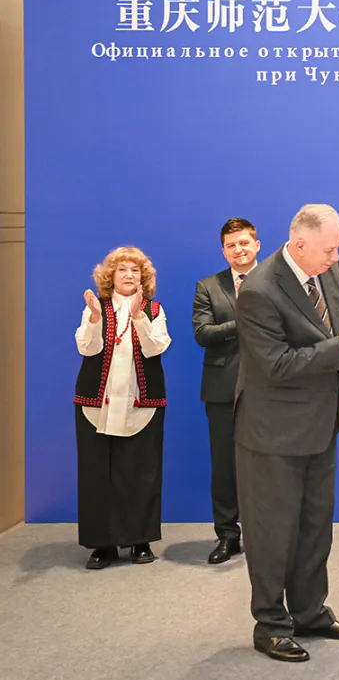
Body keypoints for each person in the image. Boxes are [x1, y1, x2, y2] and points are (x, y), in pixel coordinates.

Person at [234, 204, 339, 663]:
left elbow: (335, 322)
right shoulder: (258, 291)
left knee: (315, 528)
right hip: (272, 432)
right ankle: (270, 625)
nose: (335, 257)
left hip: (321, 421)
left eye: (338, 248)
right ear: (298, 245)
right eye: (329, 250)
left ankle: (309, 612)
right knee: (272, 534)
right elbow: (277, 365)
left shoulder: (327, 268)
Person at [74, 247, 171, 569]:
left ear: (143, 278)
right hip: (96, 406)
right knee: (97, 475)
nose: (129, 275)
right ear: (110, 276)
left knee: (141, 474)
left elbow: (156, 347)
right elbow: (86, 347)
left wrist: (140, 318)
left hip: (140, 405)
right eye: (122, 270)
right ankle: (102, 545)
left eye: (135, 270)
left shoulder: (153, 309)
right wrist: (95, 319)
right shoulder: (95, 308)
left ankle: (140, 540)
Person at [192, 218, 260, 564]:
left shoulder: (279, 281)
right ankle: (227, 535)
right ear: (223, 251)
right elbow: (202, 333)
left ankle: (264, 534)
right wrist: (242, 324)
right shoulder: (208, 286)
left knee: (268, 465)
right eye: (231, 245)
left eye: (244, 243)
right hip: (222, 389)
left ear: (257, 245)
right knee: (224, 466)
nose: (239, 250)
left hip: (270, 387)